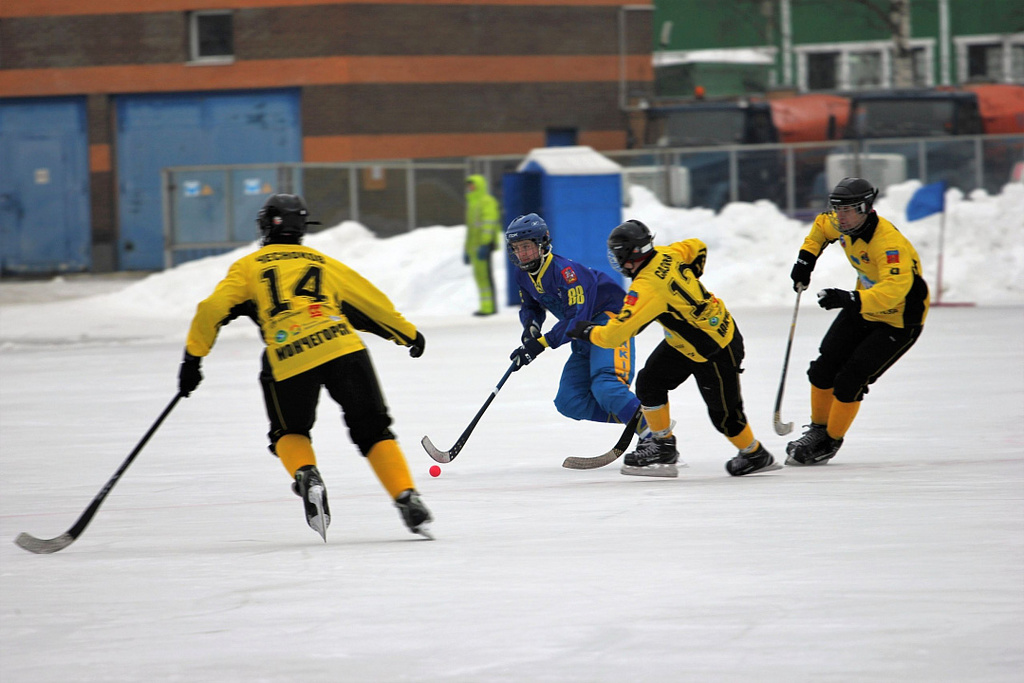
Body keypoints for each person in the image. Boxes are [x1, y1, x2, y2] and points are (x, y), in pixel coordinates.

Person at [177, 193, 433, 541]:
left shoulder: (250, 267)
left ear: (265, 226)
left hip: (289, 354)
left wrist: (194, 359)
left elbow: (211, 309)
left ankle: (307, 474)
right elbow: (371, 302)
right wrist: (407, 334)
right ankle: (407, 496)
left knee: (288, 431)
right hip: (344, 347)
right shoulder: (324, 263)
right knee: (374, 430)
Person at [567, 219, 780, 478]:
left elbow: (615, 335)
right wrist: (692, 278)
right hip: (690, 340)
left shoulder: (645, 287)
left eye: (617, 254)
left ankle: (755, 454)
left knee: (725, 416)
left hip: (714, 348)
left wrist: (588, 331)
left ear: (629, 254)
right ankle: (662, 446)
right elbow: (698, 247)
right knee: (650, 382)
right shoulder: (667, 253)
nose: (616, 260)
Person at [787, 176, 929, 465]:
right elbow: (819, 229)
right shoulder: (843, 224)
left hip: (899, 320)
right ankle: (817, 430)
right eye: (837, 209)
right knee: (822, 368)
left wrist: (848, 299)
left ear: (866, 208)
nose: (839, 216)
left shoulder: (888, 245)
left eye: (847, 210)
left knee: (851, 378)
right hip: (864, 306)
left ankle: (830, 440)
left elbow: (892, 293)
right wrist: (805, 261)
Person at [504, 213, 650, 449]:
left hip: (609, 324)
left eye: (527, 247)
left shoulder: (566, 273)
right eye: (517, 248)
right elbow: (531, 305)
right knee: (569, 402)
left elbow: (576, 316)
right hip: (582, 336)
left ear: (542, 244)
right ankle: (644, 420)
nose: (522, 254)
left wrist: (541, 344)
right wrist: (531, 328)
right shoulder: (523, 274)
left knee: (607, 387)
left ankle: (657, 439)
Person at [464, 174, 501, 316]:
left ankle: (490, 307)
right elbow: (471, 230)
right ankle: (486, 306)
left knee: (485, 277)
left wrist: (486, 244)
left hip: (483, 247)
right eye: (469, 185)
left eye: (472, 185)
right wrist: (467, 250)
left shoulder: (486, 201)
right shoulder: (473, 203)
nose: (470, 188)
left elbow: (489, 224)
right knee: (480, 277)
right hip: (475, 248)